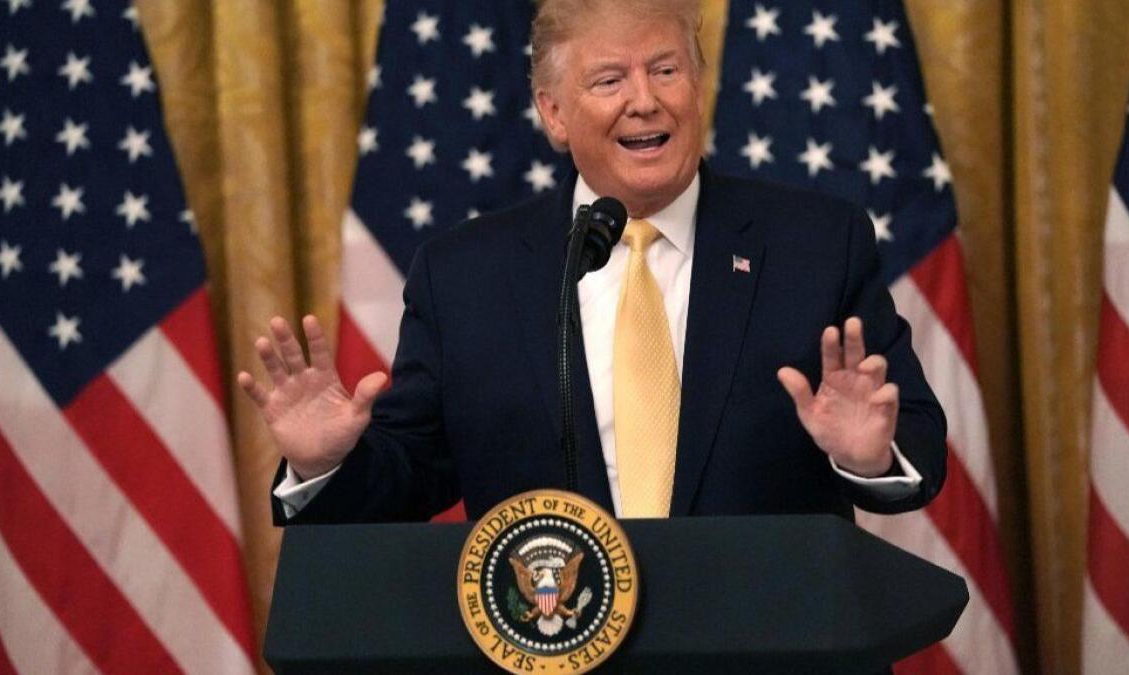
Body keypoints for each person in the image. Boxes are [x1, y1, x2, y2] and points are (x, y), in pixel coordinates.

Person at [238, 0, 947, 525]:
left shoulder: (817, 245)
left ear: (696, 86)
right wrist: (323, 461)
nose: (645, 100)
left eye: (666, 69)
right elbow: (412, 474)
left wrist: (866, 455)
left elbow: (912, 439)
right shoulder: (466, 277)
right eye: (609, 81)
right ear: (553, 113)